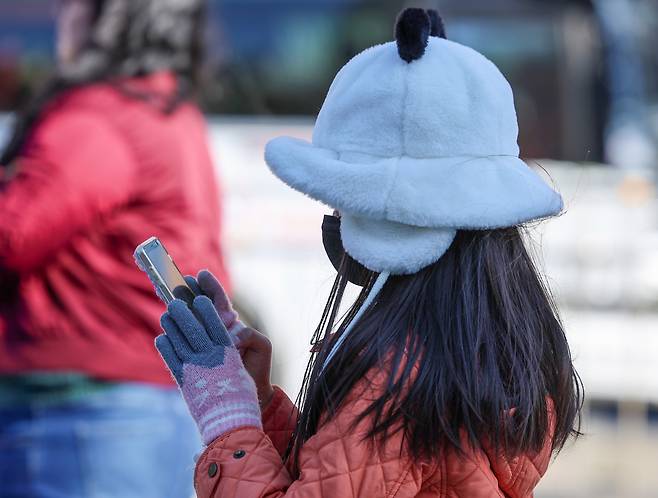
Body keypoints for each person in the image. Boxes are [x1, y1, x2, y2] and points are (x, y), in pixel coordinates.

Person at [155, 8, 583, 498]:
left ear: (397, 222)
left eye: (346, 206)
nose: (335, 221)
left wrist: (227, 427)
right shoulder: (481, 347)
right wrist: (258, 404)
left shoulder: (392, 380)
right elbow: (353, 471)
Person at [0, 1, 229, 497]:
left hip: (80, 415)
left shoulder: (98, 117)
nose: (63, 17)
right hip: (150, 405)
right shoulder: (169, 110)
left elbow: (11, 236)